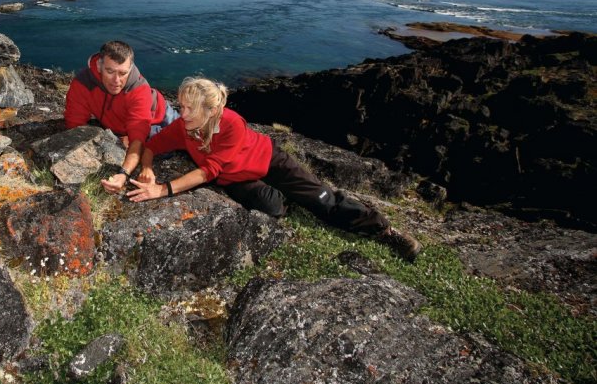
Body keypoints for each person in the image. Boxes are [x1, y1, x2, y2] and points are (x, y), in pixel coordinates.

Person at [126, 76, 422, 261]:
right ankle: (282, 200)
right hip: (234, 178)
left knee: (322, 200)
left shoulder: (231, 124)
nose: (181, 112)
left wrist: (162, 190)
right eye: (181, 105)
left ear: (211, 110)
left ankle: (385, 231)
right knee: (270, 209)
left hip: (269, 161)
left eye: (189, 108)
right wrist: (148, 168)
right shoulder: (184, 127)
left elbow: (208, 172)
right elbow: (153, 145)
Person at [64, 40, 178, 194]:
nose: (116, 81)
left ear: (130, 69)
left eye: (123, 73)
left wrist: (124, 174)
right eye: (110, 71)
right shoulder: (83, 84)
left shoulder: (139, 89)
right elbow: (74, 124)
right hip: (121, 125)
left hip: (160, 115)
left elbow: (137, 138)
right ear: (99, 65)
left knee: (193, 140)